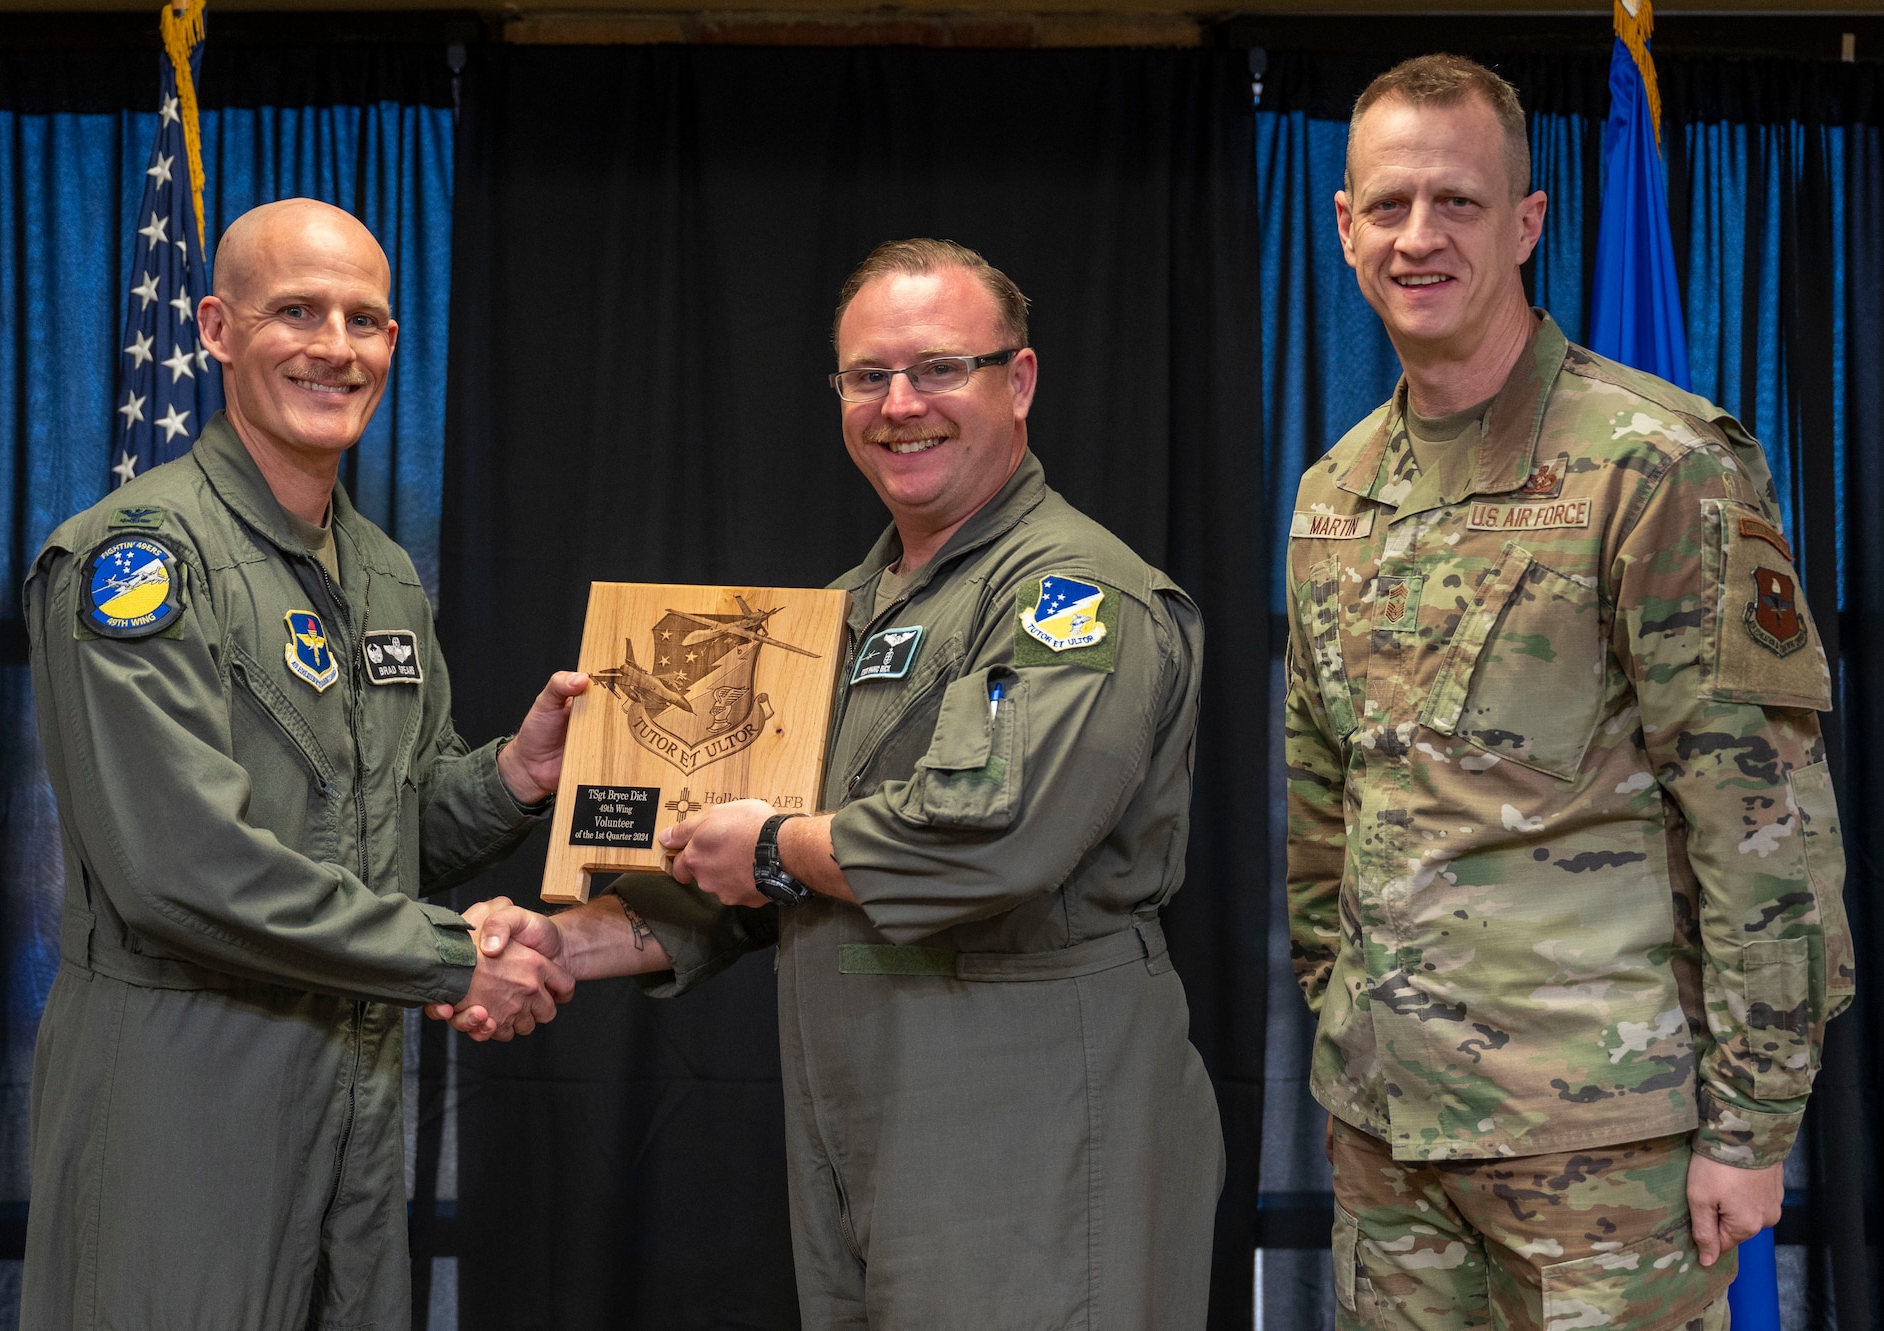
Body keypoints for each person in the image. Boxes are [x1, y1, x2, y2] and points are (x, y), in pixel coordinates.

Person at [452, 238, 1223, 1328]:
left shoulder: (1073, 595)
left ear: (1020, 381)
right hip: (861, 1114)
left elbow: (987, 841)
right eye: (868, 376)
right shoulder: (838, 614)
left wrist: (772, 844)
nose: (900, 404)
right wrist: (562, 940)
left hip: (1034, 1113)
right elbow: (738, 861)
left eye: (938, 367)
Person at [1283, 55, 1852, 1330]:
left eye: (1458, 203)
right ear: (1343, 226)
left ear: (1527, 221)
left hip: (1607, 1148)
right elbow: (1323, 804)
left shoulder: (1653, 465)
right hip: (1388, 1140)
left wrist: (1753, 1118)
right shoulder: (1335, 489)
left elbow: (1761, 822)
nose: (1416, 237)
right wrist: (1348, 1023)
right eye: (1385, 206)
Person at [20, 199, 581, 1331]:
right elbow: (181, 869)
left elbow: (390, 837)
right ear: (217, 328)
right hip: (184, 1080)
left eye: (365, 319)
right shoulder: (139, 558)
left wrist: (515, 776)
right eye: (297, 311)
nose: (336, 345)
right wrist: (448, 955)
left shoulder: (376, 570)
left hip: (354, 1080)